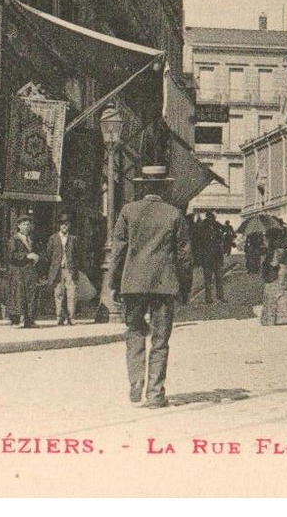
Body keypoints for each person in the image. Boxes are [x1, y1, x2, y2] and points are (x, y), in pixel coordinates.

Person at [109, 164, 192, 408]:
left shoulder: (128, 211)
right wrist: (184, 287)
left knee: (134, 331)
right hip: (164, 285)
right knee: (160, 339)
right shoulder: (174, 214)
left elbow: (118, 251)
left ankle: (135, 380)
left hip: (133, 284)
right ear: (165, 187)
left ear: (141, 186)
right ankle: (155, 393)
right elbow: (185, 256)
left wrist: (113, 283)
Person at [4, 214, 43, 328]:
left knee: (31, 295)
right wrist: (27, 256)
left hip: (30, 271)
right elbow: (11, 255)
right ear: (19, 226)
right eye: (24, 225)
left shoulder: (31, 239)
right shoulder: (14, 239)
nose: (26, 227)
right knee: (19, 295)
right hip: (18, 271)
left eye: (28, 225)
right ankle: (18, 320)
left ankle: (30, 320)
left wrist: (37, 257)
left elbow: (36, 252)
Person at [259, 227, 287, 325]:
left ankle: (272, 319)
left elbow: (274, 264)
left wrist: (264, 260)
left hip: (279, 273)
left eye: (267, 239)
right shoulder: (283, 249)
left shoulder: (277, 251)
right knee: (284, 291)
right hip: (286, 272)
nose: (265, 241)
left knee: (272, 293)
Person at [46, 215, 79, 326]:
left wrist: (76, 269)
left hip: (70, 270)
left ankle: (71, 317)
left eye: (67, 223)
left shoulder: (74, 239)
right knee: (58, 293)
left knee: (72, 293)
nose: (65, 226)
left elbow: (78, 255)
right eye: (62, 224)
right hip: (57, 270)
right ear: (59, 226)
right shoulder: (53, 238)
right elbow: (48, 255)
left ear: (70, 225)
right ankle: (59, 317)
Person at [199, 211, 227, 303]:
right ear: (207, 218)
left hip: (216, 257)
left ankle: (220, 297)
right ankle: (209, 298)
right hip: (207, 258)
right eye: (210, 218)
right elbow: (198, 243)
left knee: (219, 278)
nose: (212, 219)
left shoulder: (216, 226)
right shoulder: (202, 227)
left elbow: (223, 232)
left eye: (213, 218)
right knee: (208, 280)